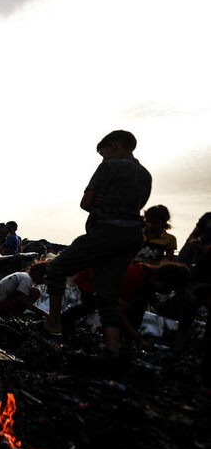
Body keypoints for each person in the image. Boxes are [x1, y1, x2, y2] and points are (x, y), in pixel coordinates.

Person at [43, 130, 152, 360]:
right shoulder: (145, 175)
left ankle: (53, 322)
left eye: (103, 153)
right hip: (133, 236)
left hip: (106, 230)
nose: (102, 158)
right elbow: (135, 205)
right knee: (106, 290)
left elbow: (87, 202)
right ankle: (112, 348)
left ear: (114, 146)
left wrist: (99, 200)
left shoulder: (109, 167)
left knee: (56, 269)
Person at [66, 261, 190, 351]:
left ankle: (122, 339)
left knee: (136, 309)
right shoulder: (136, 279)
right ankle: (63, 323)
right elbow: (119, 314)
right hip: (91, 279)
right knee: (90, 306)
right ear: (163, 280)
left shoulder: (149, 276)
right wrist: (138, 339)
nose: (168, 292)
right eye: (169, 288)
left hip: (107, 281)